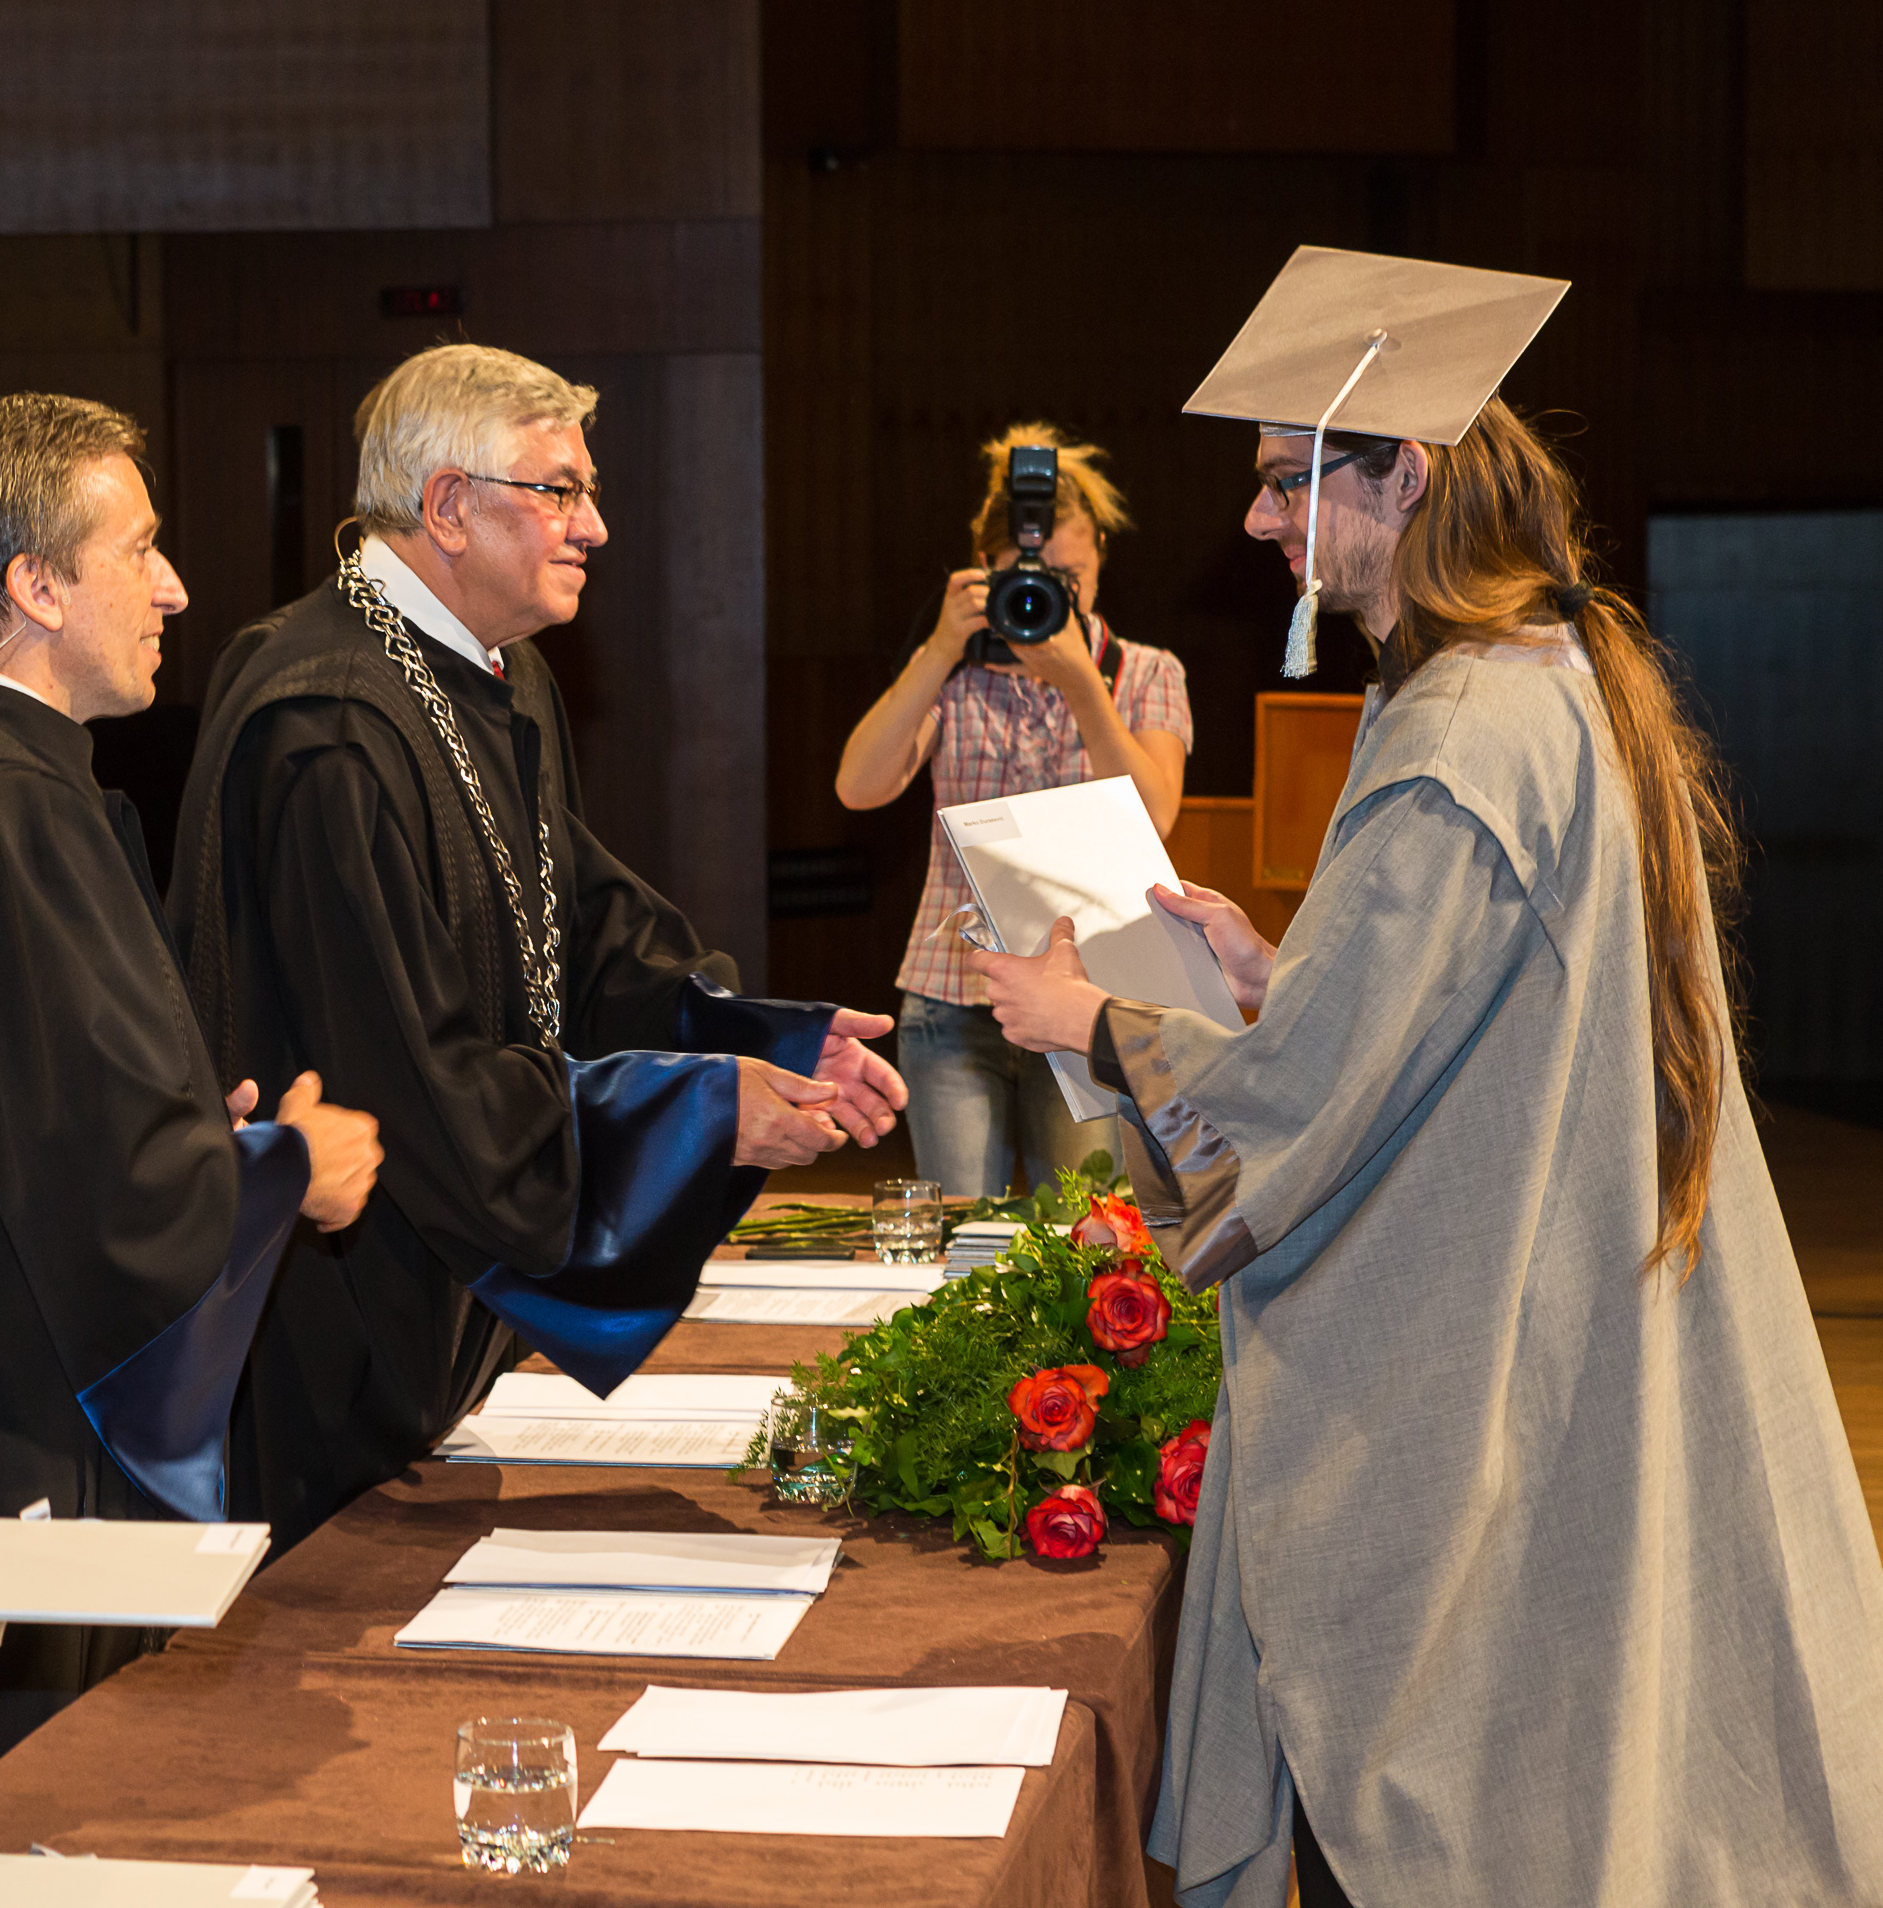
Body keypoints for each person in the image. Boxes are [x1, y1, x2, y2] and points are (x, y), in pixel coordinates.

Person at [978, 249, 1883, 1908]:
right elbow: (1479, 1004)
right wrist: (1282, 973)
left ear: (1399, 474)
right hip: (1585, 1288)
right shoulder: (1556, 676)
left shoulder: (1460, 733)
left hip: (1491, 1346)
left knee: (1479, 1790)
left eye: (1287, 480)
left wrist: (1088, 1016)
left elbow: (1298, 1112)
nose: (1258, 520)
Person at [168, 342, 909, 1547]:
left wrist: (753, 1039)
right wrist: (693, 1113)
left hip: (447, 1293)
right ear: (448, 506)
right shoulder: (326, 724)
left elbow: (579, 920)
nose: (595, 527)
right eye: (559, 490)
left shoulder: (503, 679)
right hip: (334, 1309)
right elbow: (411, 1072)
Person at [0, 393, 382, 1864]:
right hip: (2, 1447)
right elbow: (112, 1201)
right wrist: (285, 1170)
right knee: (18, 1836)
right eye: (140, 548)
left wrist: (188, 1121)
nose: (173, 587)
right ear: (36, 586)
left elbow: (51, 1111)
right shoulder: (4, 802)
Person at [833, 424, 1191, 1198]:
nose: (1047, 598)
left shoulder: (1146, 673)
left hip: (1088, 995)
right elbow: (858, 786)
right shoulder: (955, 673)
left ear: (1100, 552)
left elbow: (1156, 815)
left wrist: (1080, 680)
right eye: (1026, 580)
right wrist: (938, 649)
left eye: (1068, 577)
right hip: (953, 996)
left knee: (1083, 1237)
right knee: (963, 1239)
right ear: (983, 569)